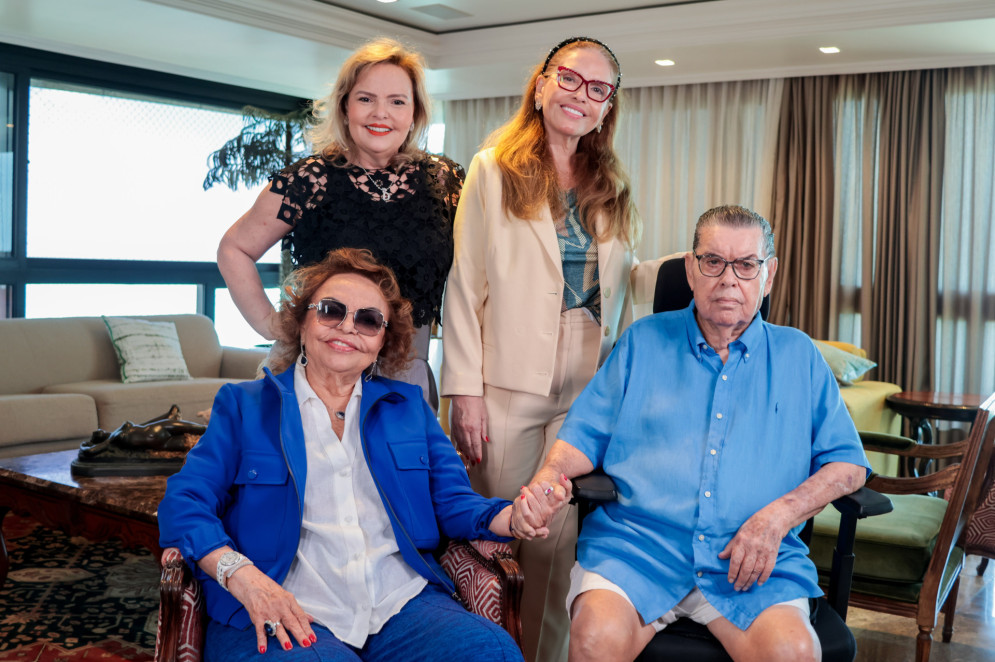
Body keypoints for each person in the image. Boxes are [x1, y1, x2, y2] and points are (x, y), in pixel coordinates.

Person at [158, 248, 564, 662]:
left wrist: (514, 517)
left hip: (400, 603)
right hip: (287, 605)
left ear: (382, 340)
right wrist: (244, 578)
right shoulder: (244, 406)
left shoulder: (409, 408)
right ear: (301, 322)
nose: (348, 327)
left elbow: (453, 502)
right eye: (331, 311)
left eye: (369, 320)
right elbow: (184, 502)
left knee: (492, 652)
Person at [526, 205, 871, 662]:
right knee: (593, 640)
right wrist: (546, 481)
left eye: (746, 265)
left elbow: (848, 465)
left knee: (795, 652)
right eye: (713, 261)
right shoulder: (642, 341)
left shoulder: (799, 356)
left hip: (751, 560)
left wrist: (777, 519)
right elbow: (582, 437)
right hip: (638, 549)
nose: (729, 279)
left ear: (768, 275)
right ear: (691, 270)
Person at [441, 35, 658, 662]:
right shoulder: (492, 169)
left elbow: (623, 276)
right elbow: (465, 284)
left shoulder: (610, 182)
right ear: (540, 85)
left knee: (555, 544)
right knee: (499, 537)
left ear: (606, 108)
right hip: (506, 381)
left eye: (598, 89)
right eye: (569, 79)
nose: (580, 95)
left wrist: (698, 269)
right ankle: (482, 651)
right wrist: (465, 390)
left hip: (587, 384)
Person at [217, 38, 464, 410]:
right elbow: (234, 249)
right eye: (366, 99)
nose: (381, 113)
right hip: (317, 371)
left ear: (415, 113)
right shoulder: (309, 179)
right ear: (345, 106)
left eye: (397, 101)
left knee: (398, 469)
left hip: (405, 375)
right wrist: (274, 327)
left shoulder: (445, 182)